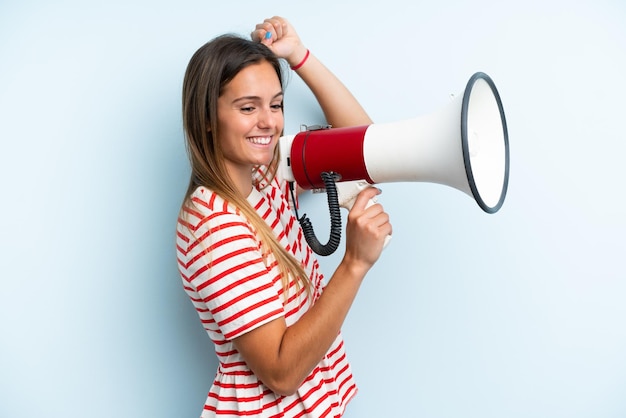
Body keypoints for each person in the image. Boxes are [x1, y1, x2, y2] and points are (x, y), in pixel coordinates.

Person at [176, 16, 392, 417]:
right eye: (247, 107)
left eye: (275, 105)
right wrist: (355, 263)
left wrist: (299, 56)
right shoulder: (214, 224)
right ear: (207, 117)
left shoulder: (266, 175)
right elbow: (281, 372)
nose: (269, 122)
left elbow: (367, 144)